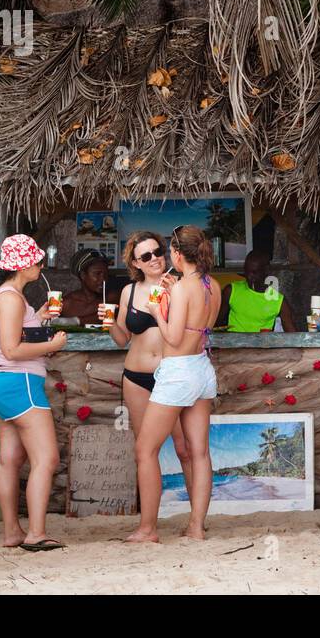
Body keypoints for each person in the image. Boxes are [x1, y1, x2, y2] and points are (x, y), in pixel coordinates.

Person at [126, 225, 221, 543]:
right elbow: (198, 331)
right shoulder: (213, 285)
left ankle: (147, 529)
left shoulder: (181, 288)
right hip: (201, 369)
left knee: (145, 449)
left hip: (178, 372)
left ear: (178, 254)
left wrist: (157, 310)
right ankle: (196, 527)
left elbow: (173, 337)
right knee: (200, 453)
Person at [0, 234, 68, 551]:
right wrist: (53, 345)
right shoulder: (11, 299)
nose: (41, 265)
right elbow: (12, 348)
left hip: (3, 384)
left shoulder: (9, 296)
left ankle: (12, 532)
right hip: (21, 385)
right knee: (46, 459)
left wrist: (40, 316)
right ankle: (35, 533)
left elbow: (14, 334)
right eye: (36, 260)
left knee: (10, 460)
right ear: (23, 266)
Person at [109, 231, 196, 496]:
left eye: (158, 252)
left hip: (171, 375)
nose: (154, 259)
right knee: (146, 449)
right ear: (135, 263)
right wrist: (108, 322)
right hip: (136, 376)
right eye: (146, 256)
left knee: (184, 448)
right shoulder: (129, 291)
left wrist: (170, 293)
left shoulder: (180, 285)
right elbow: (122, 339)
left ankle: (195, 518)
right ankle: (150, 519)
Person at [215, 250, 296, 332]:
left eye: (254, 272)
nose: (249, 277)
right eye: (246, 271)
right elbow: (215, 322)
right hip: (233, 344)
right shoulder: (231, 291)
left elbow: (292, 334)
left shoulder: (279, 301)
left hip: (262, 344)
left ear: (267, 270)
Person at [60, 248, 111, 324]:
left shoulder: (111, 298)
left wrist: (77, 321)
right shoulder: (66, 304)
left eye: (106, 274)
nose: (103, 279)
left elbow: (110, 315)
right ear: (83, 275)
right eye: (97, 274)